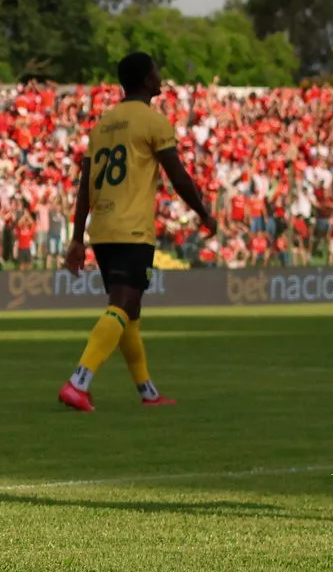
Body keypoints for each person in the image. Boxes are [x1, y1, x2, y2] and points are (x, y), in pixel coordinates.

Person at [57, 52, 217, 411]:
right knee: (123, 304)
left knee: (128, 310)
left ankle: (147, 392)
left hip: (101, 228)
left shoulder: (102, 125)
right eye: (157, 71)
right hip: (132, 229)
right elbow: (178, 177)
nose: (160, 75)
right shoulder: (153, 122)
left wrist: (76, 238)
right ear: (147, 79)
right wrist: (204, 213)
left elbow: (84, 187)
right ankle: (78, 382)